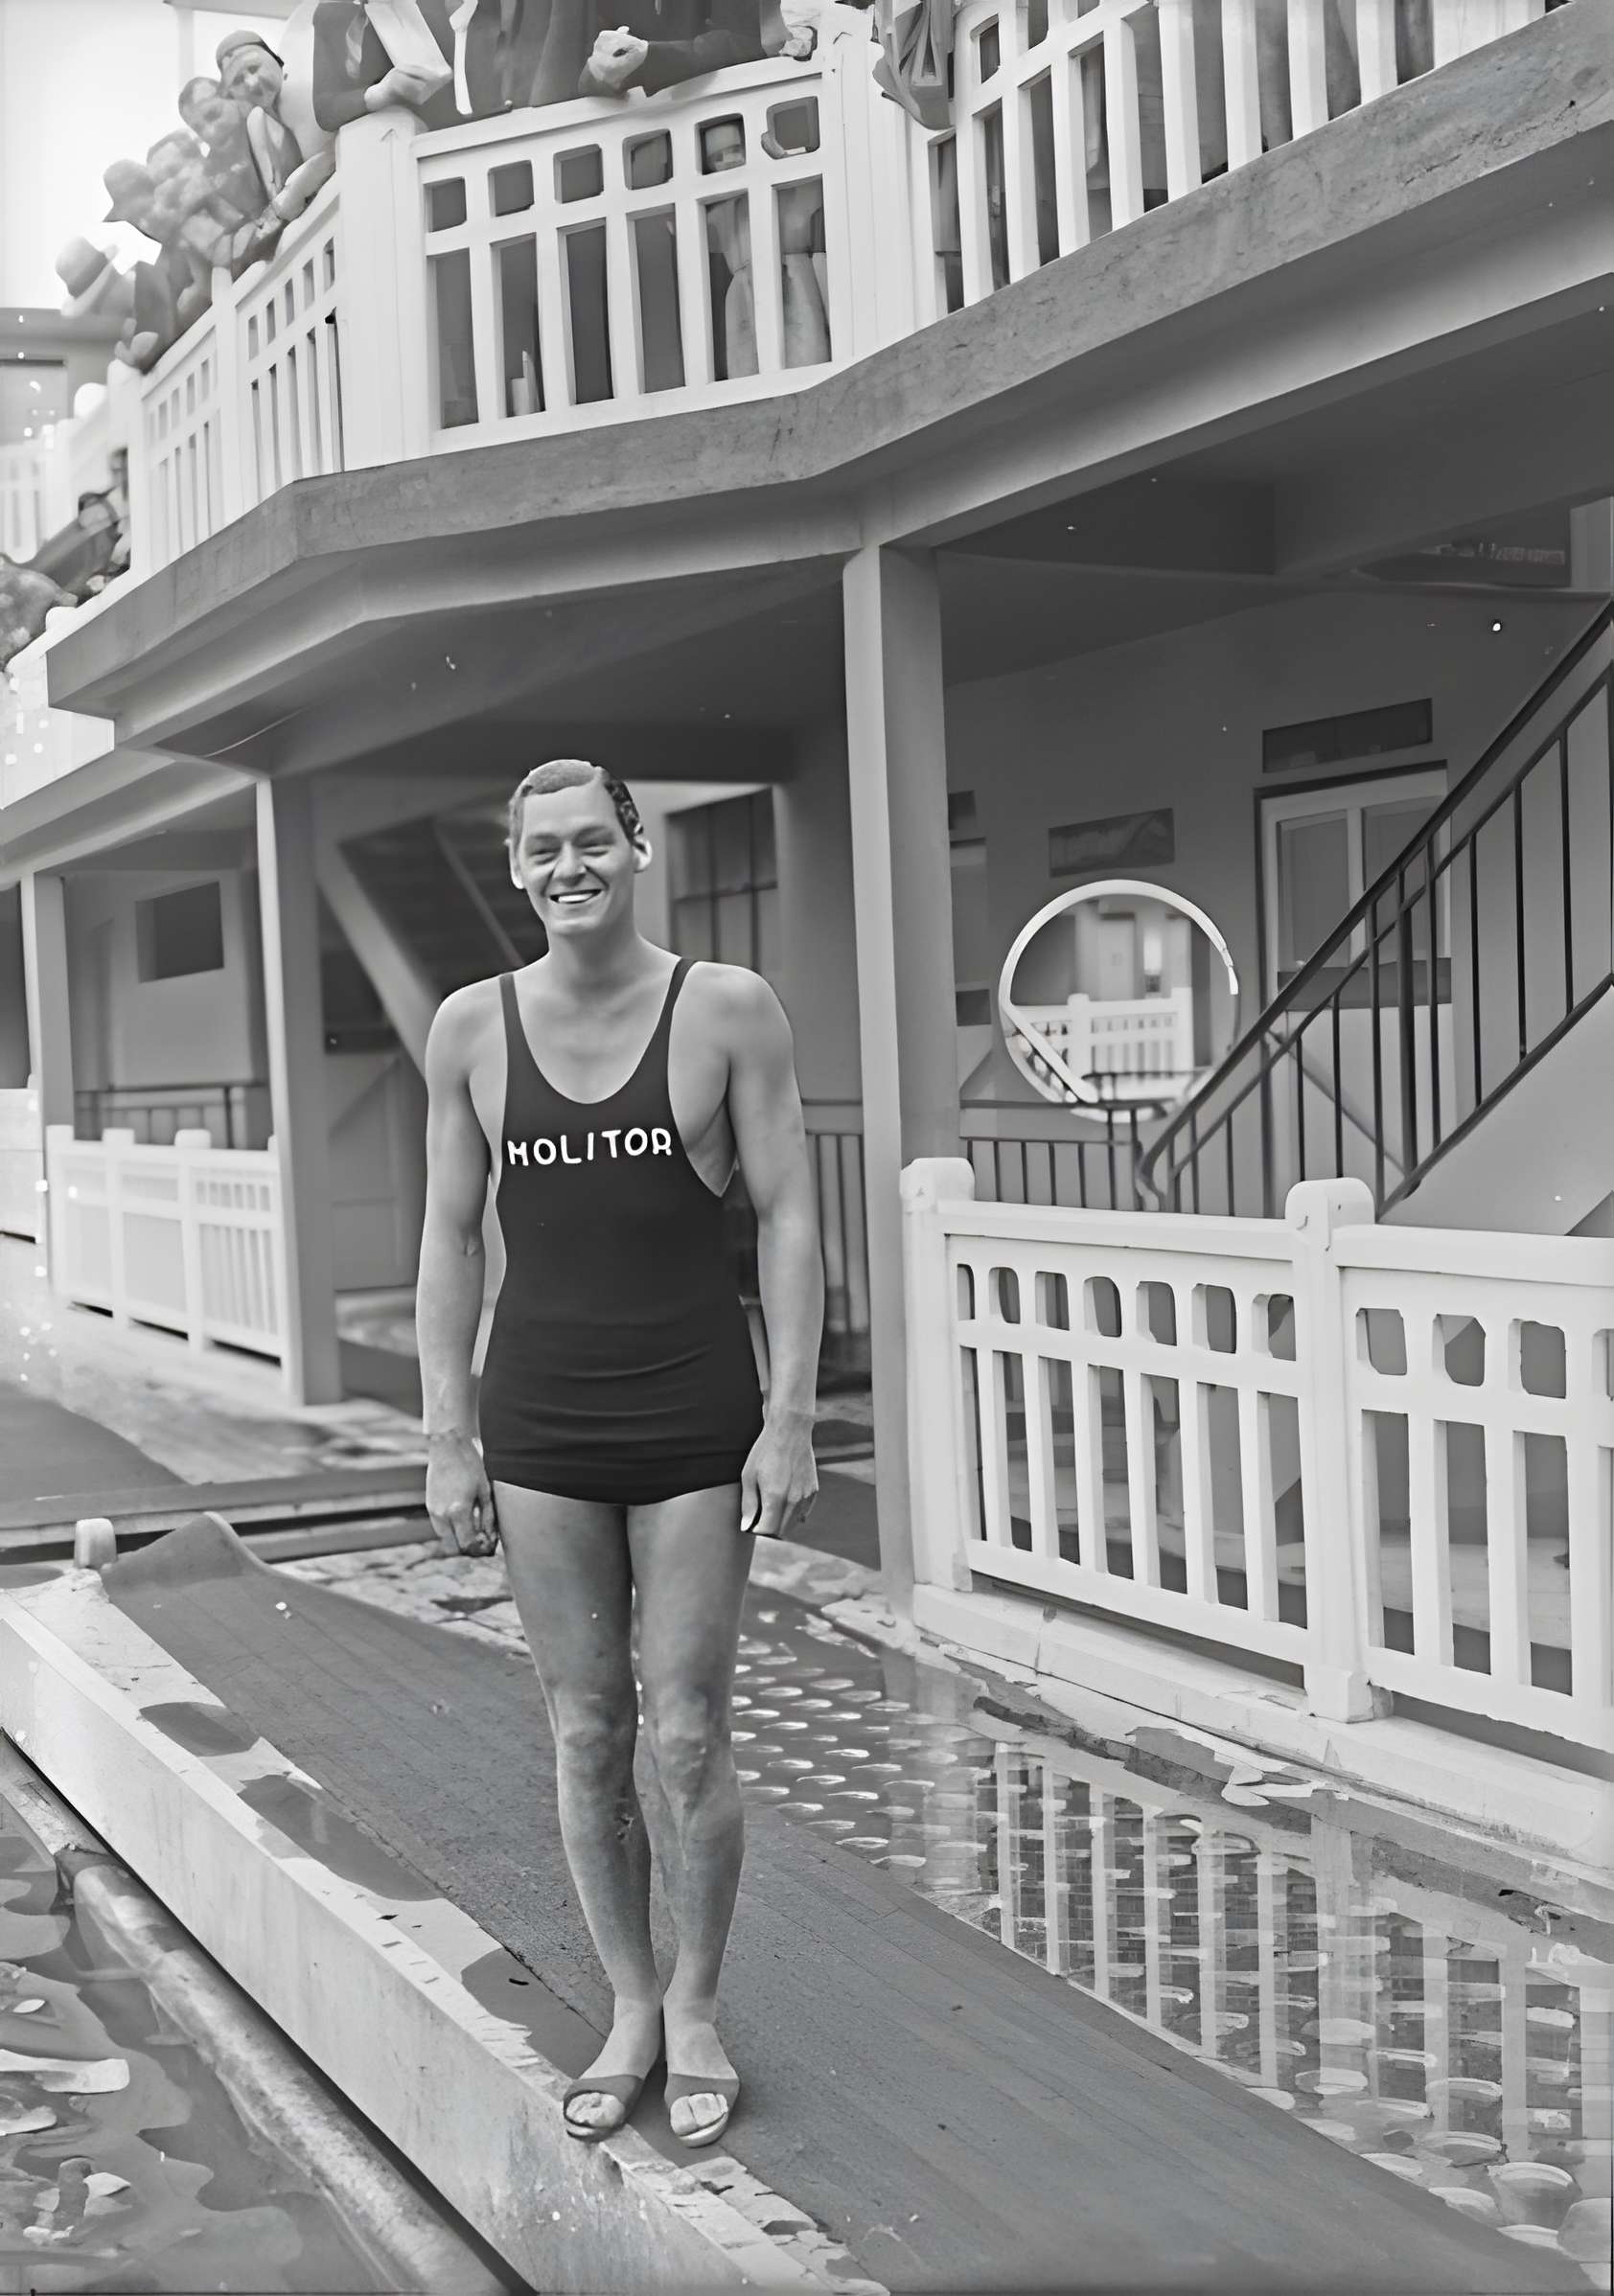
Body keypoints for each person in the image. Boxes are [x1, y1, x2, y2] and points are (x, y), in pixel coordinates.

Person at [417, 758, 821, 2148]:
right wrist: (445, 1434)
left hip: (695, 1419)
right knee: (588, 1731)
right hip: (539, 1424)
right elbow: (448, 1236)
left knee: (690, 1730)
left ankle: (701, 2008)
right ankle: (633, 2005)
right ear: (519, 867)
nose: (570, 864)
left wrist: (790, 1415)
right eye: (545, 848)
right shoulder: (471, 1028)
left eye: (595, 839)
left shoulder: (725, 1008)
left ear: (639, 846)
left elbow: (787, 1215)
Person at [579, 0, 763, 97]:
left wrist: (653, 57)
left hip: (716, 108)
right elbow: (568, 80)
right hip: (623, 126)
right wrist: (598, 73)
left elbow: (753, 41)